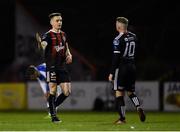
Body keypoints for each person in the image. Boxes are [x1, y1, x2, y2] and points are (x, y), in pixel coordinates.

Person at [108, 17, 146, 124]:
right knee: (131, 92)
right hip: (132, 66)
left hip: (122, 68)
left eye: (116, 24)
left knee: (119, 93)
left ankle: (122, 119)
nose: (115, 25)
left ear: (119, 26)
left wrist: (111, 72)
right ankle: (138, 106)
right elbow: (138, 52)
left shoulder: (117, 39)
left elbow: (115, 58)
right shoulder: (134, 36)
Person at [38, 12, 72, 123]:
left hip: (62, 66)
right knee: (52, 90)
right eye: (57, 20)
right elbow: (43, 44)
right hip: (51, 66)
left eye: (61, 20)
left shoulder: (63, 34)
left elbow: (66, 46)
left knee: (67, 92)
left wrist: (69, 54)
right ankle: (54, 116)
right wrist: (41, 44)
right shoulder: (48, 35)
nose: (59, 22)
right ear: (51, 22)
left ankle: (51, 107)